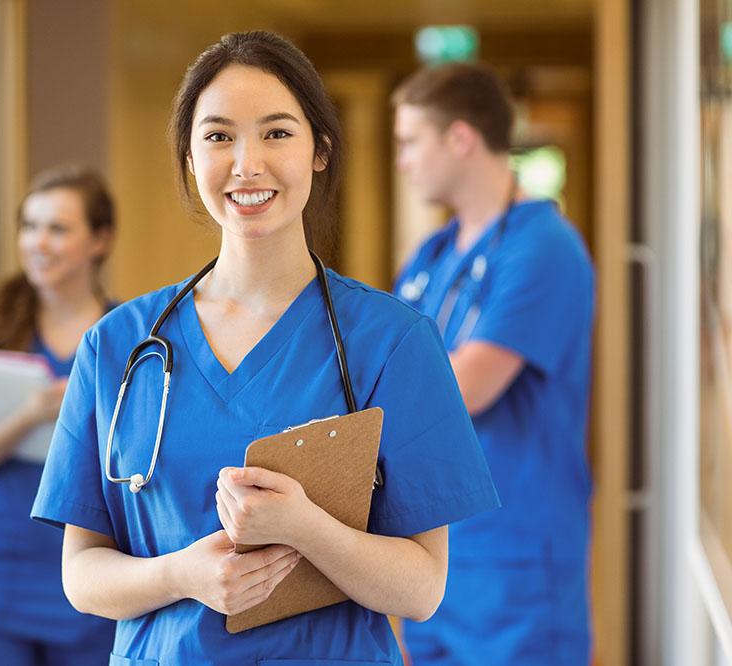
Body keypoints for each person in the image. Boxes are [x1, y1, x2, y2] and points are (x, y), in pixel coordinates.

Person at [30, 31, 500, 665]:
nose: (246, 164)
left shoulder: (393, 342)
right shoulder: (118, 345)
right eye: (219, 136)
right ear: (190, 159)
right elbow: (81, 574)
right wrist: (181, 576)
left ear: (320, 152)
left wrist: (305, 529)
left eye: (276, 133)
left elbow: (421, 588)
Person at [391, 62, 595, 665]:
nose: (401, 160)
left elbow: (466, 387)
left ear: (460, 138)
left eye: (409, 142)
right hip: (438, 554)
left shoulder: (543, 247)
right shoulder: (432, 254)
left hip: (515, 562)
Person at [0, 165, 118, 665]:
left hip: (94, 572)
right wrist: (31, 414)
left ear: (99, 240)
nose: (38, 242)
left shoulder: (127, 336)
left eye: (57, 229)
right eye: (29, 226)